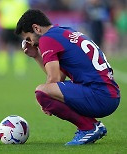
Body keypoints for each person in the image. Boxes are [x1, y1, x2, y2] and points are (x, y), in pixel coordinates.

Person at [15, 9, 120, 145]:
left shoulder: (47, 39)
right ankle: (92, 127)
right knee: (44, 92)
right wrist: (36, 56)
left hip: (100, 95)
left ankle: (89, 128)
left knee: (41, 91)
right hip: (109, 94)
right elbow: (59, 77)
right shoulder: (65, 31)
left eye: (29, 38)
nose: (31, 43)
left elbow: (53, 80)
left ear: (36, 28)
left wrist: (44, 99)